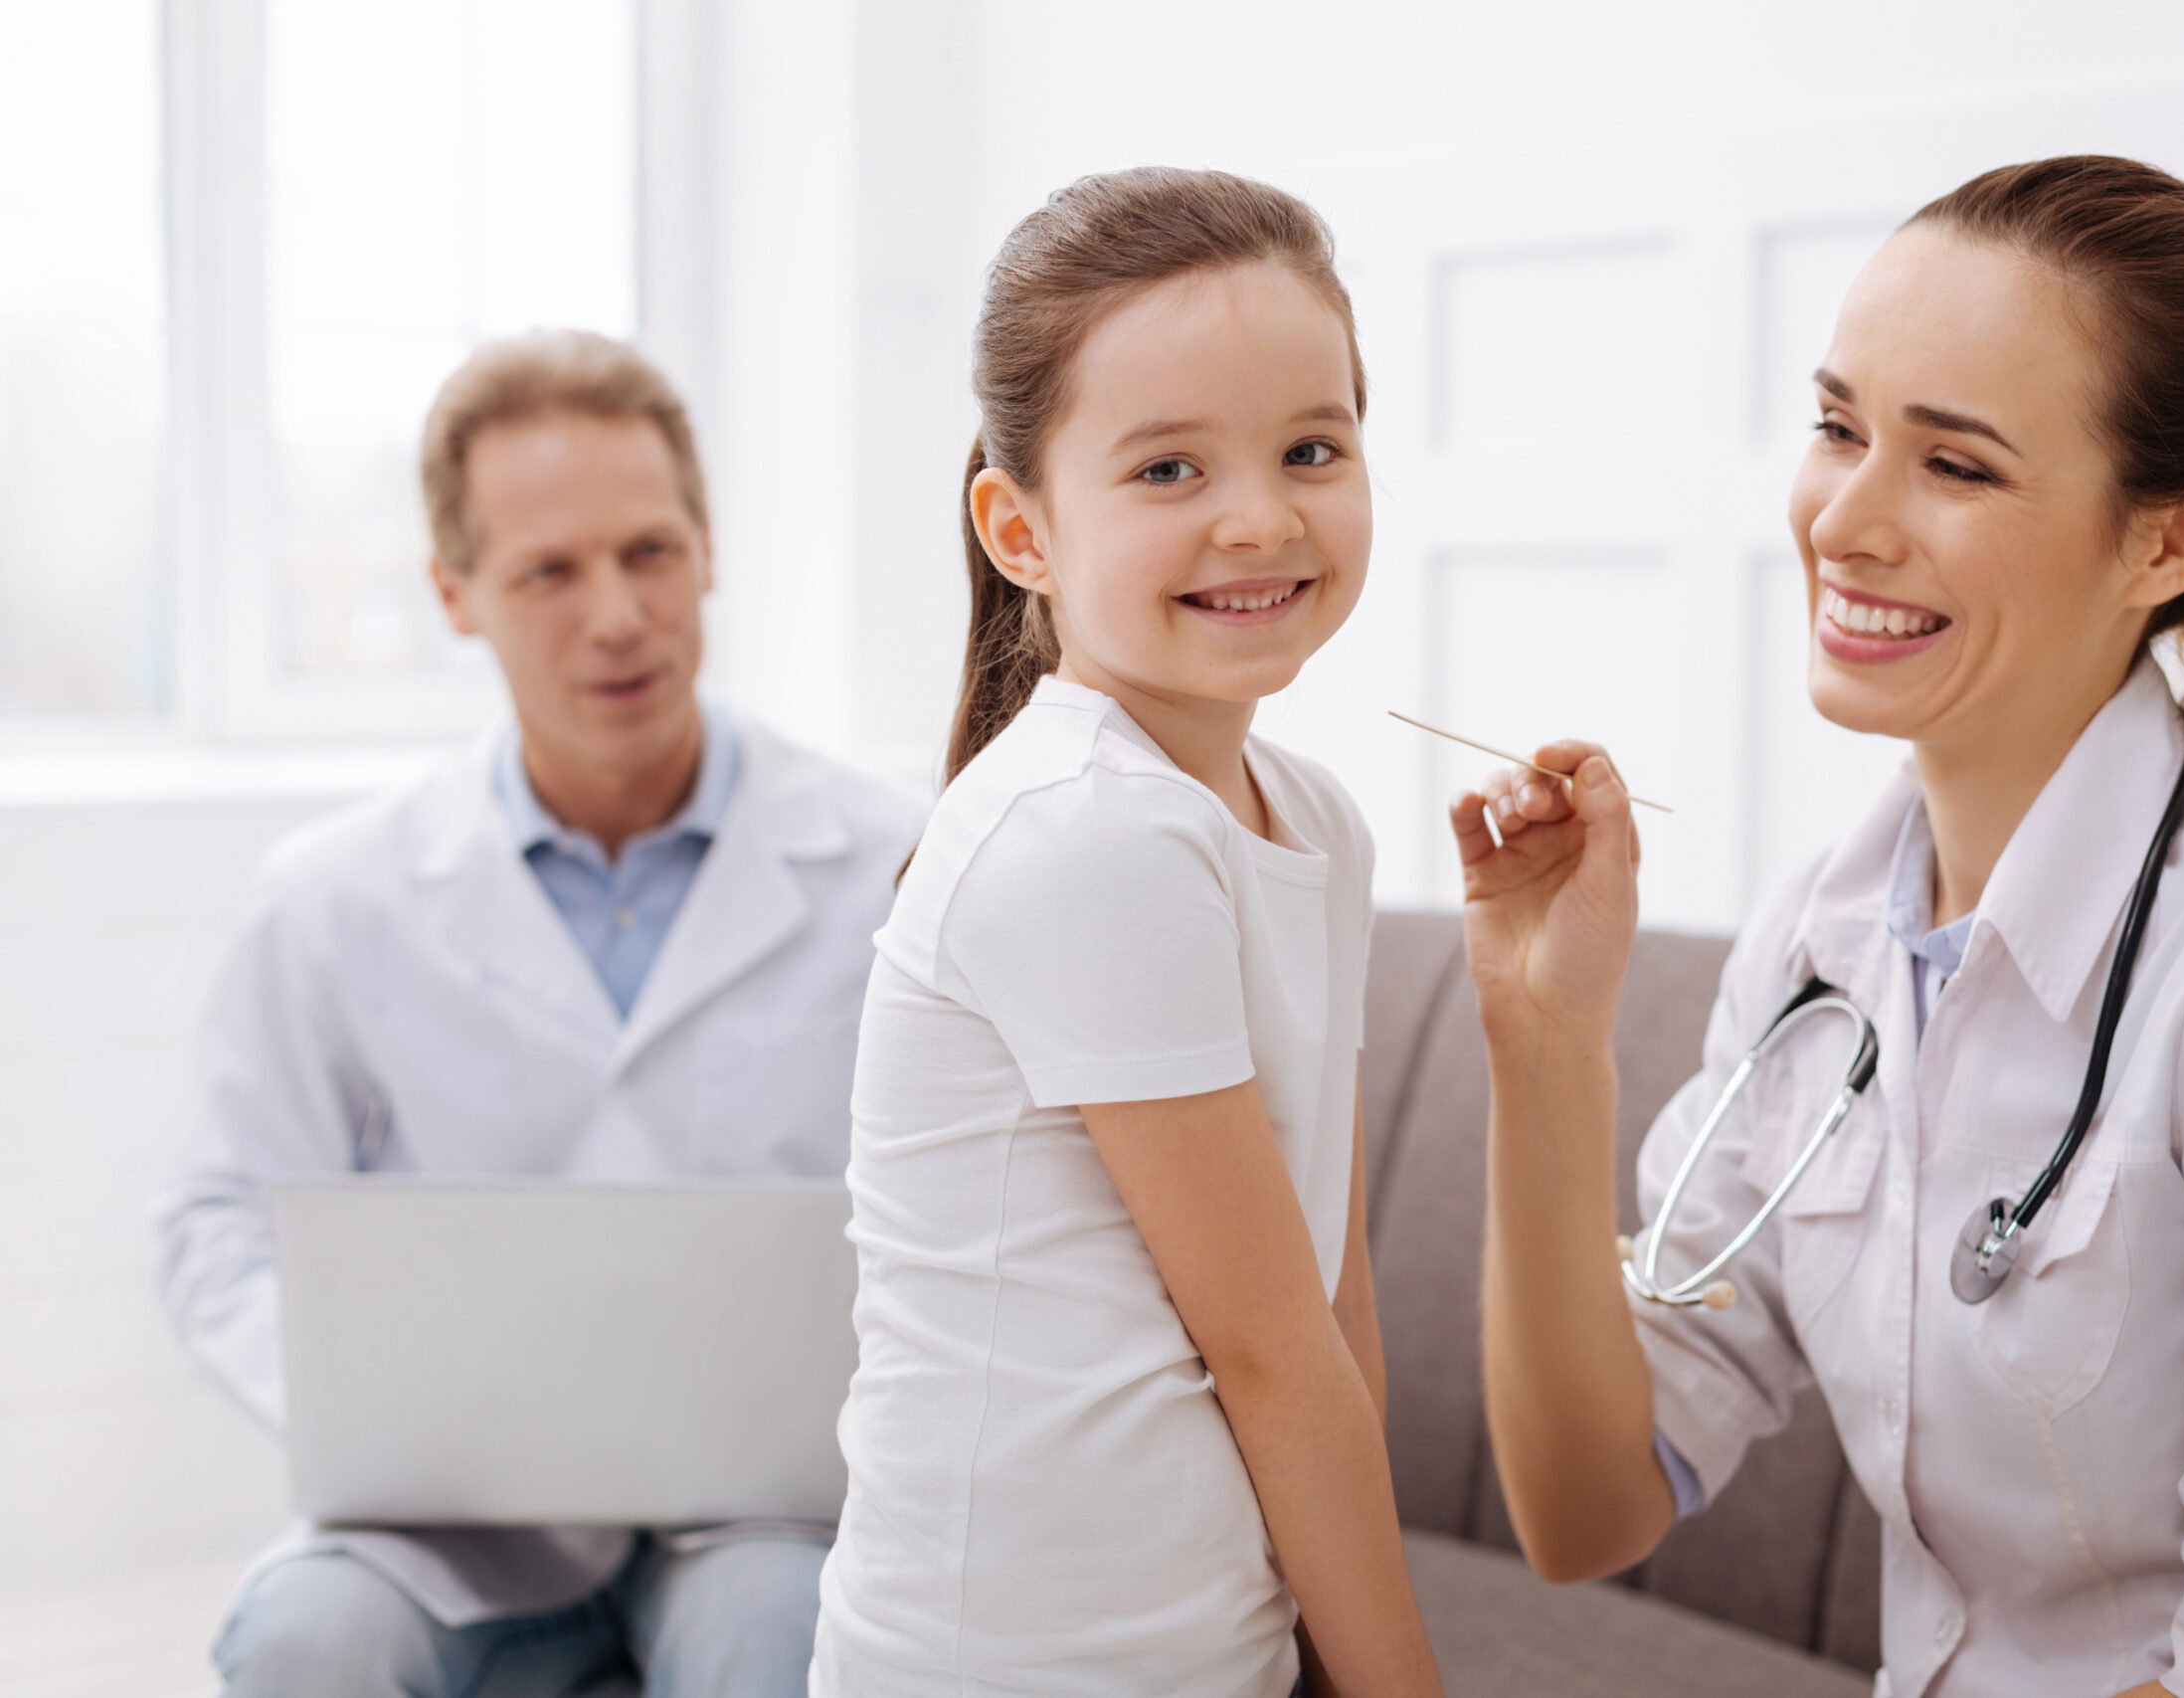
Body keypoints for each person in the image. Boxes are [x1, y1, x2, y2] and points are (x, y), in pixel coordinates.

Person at [1455, 156, 2184, 1697]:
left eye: (1954, 466)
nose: (1846, 518)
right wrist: (1541, 1041)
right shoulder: (1826, 941)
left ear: (2168, 540)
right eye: (1838, 428)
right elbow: (1586, 1504)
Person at [157, 329, 925, 1698]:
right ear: (456, 595)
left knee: (778, 1644)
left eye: (650, 552)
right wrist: (369, 1412)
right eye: (549, 571)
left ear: (709, 548)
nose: (617, 616)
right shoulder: (335, 900)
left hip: (772, 1505)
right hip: (447, 1523)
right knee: (303, 1643)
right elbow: (218, 1222)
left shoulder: (899, 863)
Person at [813, 168, 1441, 1698]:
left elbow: (1327, 1301)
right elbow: (1274, 1363)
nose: (1260, 516)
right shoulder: (1086, 832)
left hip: (1193, 1651)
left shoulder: (1314, 820)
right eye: (1167, 470)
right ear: (1021, 528)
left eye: (1312, 447)